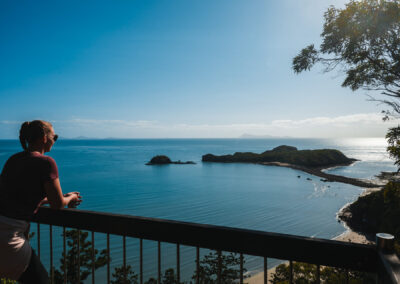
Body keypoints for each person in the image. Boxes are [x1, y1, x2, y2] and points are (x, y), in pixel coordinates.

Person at [0, 120, 82, 283]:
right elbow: (58, 205)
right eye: (55, 136)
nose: (55, 140)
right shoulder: (46, 162)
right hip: (9, 235)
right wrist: (70, 198)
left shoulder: (13, 160)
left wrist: (50, 199)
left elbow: (18, 195)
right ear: (44, 138)